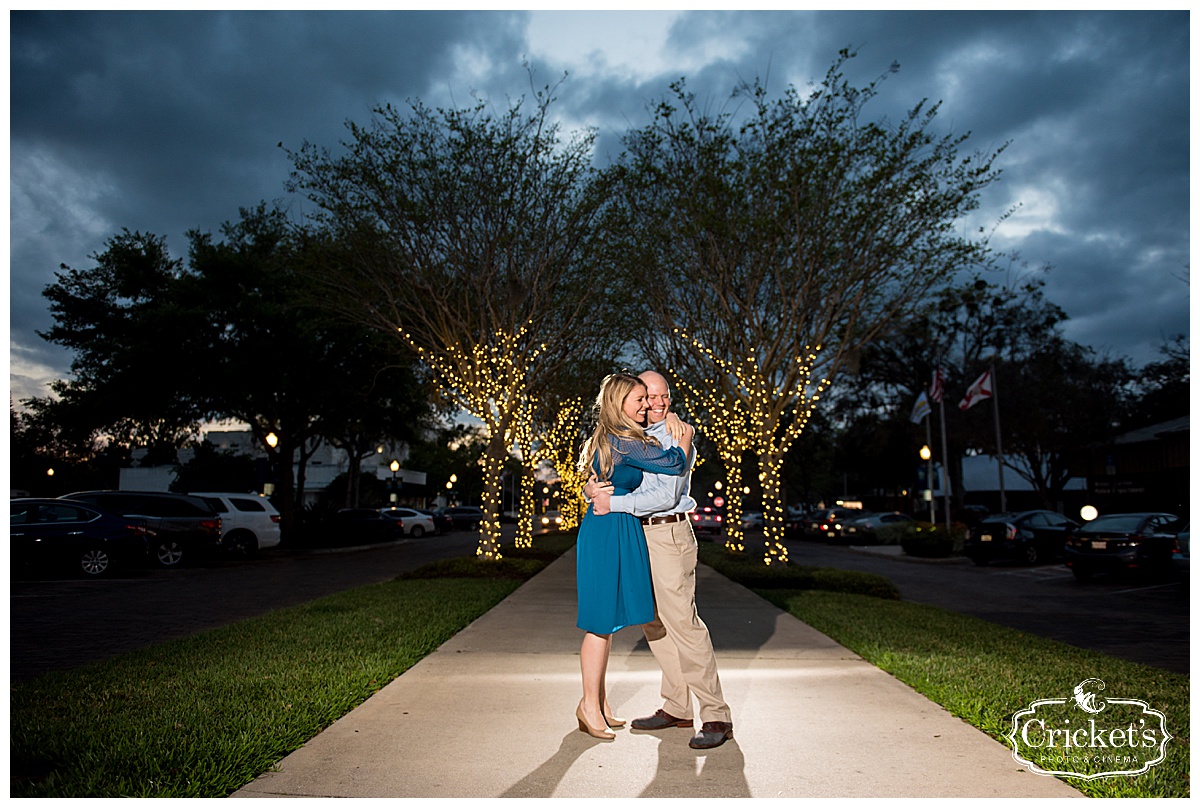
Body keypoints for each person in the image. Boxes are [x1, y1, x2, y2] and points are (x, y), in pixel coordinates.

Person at [588, 370, 734, 750]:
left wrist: (612, 502)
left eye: (663, 396)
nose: (657, 403)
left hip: (668, 533)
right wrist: (595, 484)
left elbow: (665, 496)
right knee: (652, 622)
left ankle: (716, 714)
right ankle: (677, 706)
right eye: (648, 396)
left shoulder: (676, 436)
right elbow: (609, 466)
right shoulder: (634, 436)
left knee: (683, 623)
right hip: (638, 534)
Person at [573, 372, 694, 741]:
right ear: (618, 402)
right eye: (639, 399)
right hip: (609, 530)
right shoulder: (625, 440)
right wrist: (684, 437)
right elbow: (673, 463)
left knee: (608, 623)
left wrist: (588, 489)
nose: (647, 406)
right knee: (600, 622)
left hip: (616, 527)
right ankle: (588, 706)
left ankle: (599, 702)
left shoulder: (614, 437)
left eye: (648, 399)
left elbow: (592, 479)